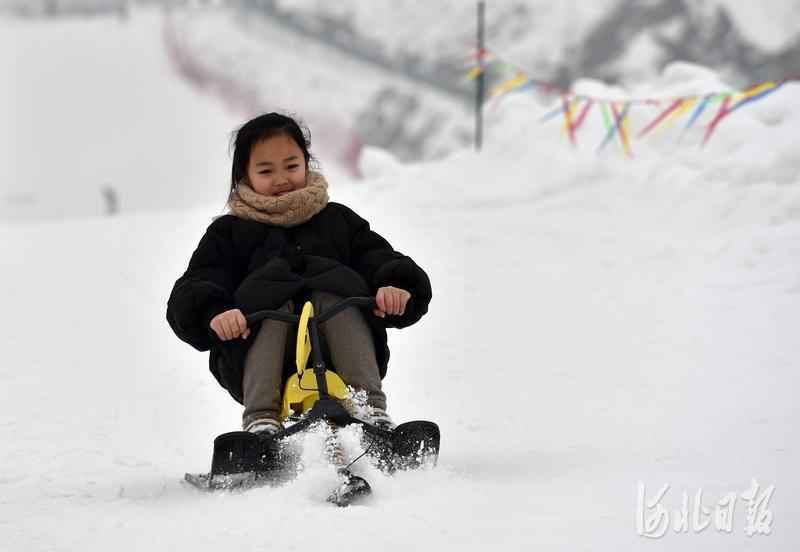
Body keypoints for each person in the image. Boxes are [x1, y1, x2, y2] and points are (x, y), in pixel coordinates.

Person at [166, 112, 432, 436]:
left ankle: (369, 410)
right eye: (266, 171)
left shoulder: (337, 221)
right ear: (244, 176)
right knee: (274, 302)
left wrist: (396, 286)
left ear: (307, 164)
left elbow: (376, 257)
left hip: (340, 349)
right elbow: (198, 282)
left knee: (335, 294)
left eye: (291, 166)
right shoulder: (230, 234)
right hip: (260, 352)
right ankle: (261, 420)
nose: (281, 179)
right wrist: (215, 312)